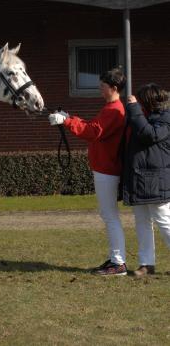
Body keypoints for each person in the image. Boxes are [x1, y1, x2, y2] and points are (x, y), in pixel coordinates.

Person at [48, 68, 127, 276]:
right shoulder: (112, 108)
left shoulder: (113, 110)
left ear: (114, 88)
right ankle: (115, 259)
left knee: (109, 216)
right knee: (109, 215)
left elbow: (92, 131)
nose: (100, 89)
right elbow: (94, 126)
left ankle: (118, 262)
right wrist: (69, 118)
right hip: (106, 167)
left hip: (106, 168)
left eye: (103, 86)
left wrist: (66, 121)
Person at [122, 83, 170, 278]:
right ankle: (146, 263)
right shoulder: (151, 117)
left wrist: (134, 110)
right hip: (141, 178)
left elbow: (149, 135)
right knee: (142, 221)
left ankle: (147, 264)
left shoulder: (165, 119)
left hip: (155, 179)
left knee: (164, 220)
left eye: (142, 101)